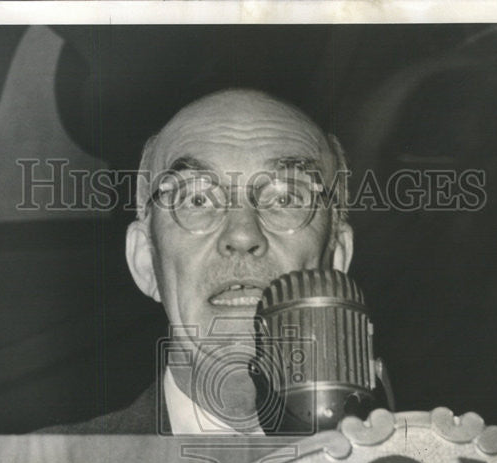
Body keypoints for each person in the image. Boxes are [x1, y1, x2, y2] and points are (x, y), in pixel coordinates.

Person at [49, 88, 353, 434]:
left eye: (285, 197)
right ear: (145, 261)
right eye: (196, 199)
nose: (242, 235)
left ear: (336, 259)